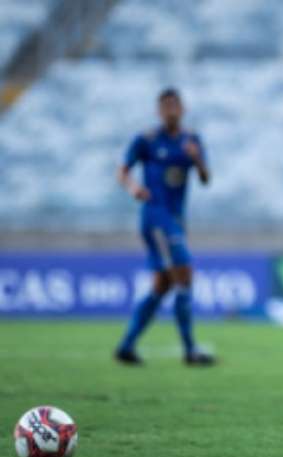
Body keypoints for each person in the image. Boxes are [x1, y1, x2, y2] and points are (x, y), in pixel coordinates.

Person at [114, 88, 215, 366]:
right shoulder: (147, 140)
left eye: (175, 105)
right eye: (165, 105)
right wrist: (134, 187)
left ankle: (126, 346)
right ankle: (190, 350)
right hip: (156, 217)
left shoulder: (192, 140)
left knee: (163, 284)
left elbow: (206, 179)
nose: (171, 109)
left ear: (183, 109)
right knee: (185, 274)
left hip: (176, 219)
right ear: (159, 111)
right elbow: (122, 170)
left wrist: (196, 158)